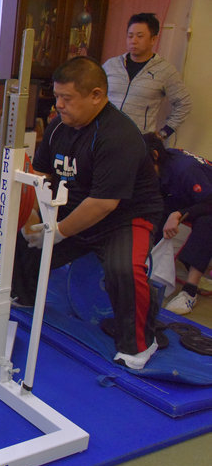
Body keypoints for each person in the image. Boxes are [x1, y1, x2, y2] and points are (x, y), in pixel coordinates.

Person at [13, 56, 164, 370]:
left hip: (125, 217)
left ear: (96, 95)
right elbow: (39, 176)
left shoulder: (118, 135)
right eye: (57, 96)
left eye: (67, 98)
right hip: (75, 208)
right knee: (25, 243)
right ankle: (23, 299)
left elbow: (104, 204)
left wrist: (58, 232)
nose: (58, 105)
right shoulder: (58, 127)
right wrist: (32, 218)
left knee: (123, 269)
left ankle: (140, 344)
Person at [143, 133, 212, 315]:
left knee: (206, 222)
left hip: (208, 201)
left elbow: (209, 202)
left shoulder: (185, 169)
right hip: (195, 198)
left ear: (155, 155)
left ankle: (190, 291)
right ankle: (146, 263)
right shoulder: (165, 163)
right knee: (156, 208)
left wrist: (179, 214)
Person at [103, 12, 192, 140]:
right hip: (105, 136)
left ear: (153, 39)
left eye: (140, 36)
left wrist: (164, 133)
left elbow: (184, 104)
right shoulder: (111, 65)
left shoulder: (165, 70)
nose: (133, 41)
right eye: (130, 36)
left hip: (138, 140)